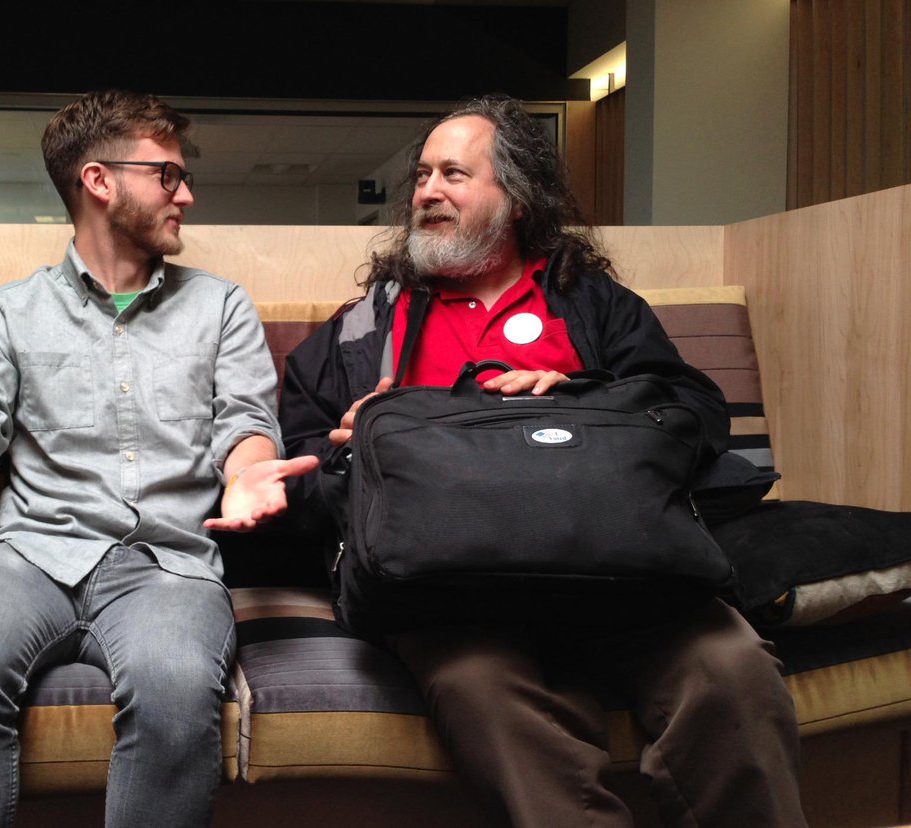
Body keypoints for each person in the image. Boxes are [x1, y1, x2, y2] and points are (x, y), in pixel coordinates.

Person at [278, 95, 807, 827]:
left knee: (732, 670)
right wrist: (350, 452)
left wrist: (582, 395)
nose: (427, 192)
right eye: (423, 176)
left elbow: (695, 411)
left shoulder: (589, 303)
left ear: (517, 198)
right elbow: (296, 461)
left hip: (619, 572)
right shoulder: (368, 326)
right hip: (449, 594)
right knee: (478, 689)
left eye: (454, 174)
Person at [0, 89, 316, 828]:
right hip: (29, 557)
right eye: (167, 175)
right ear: (99, 180)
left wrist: (249, 471)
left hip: (166, 565)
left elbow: (246, 424)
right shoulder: (8, 311)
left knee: (174, 688)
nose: (185, 195)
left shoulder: (220, 307)